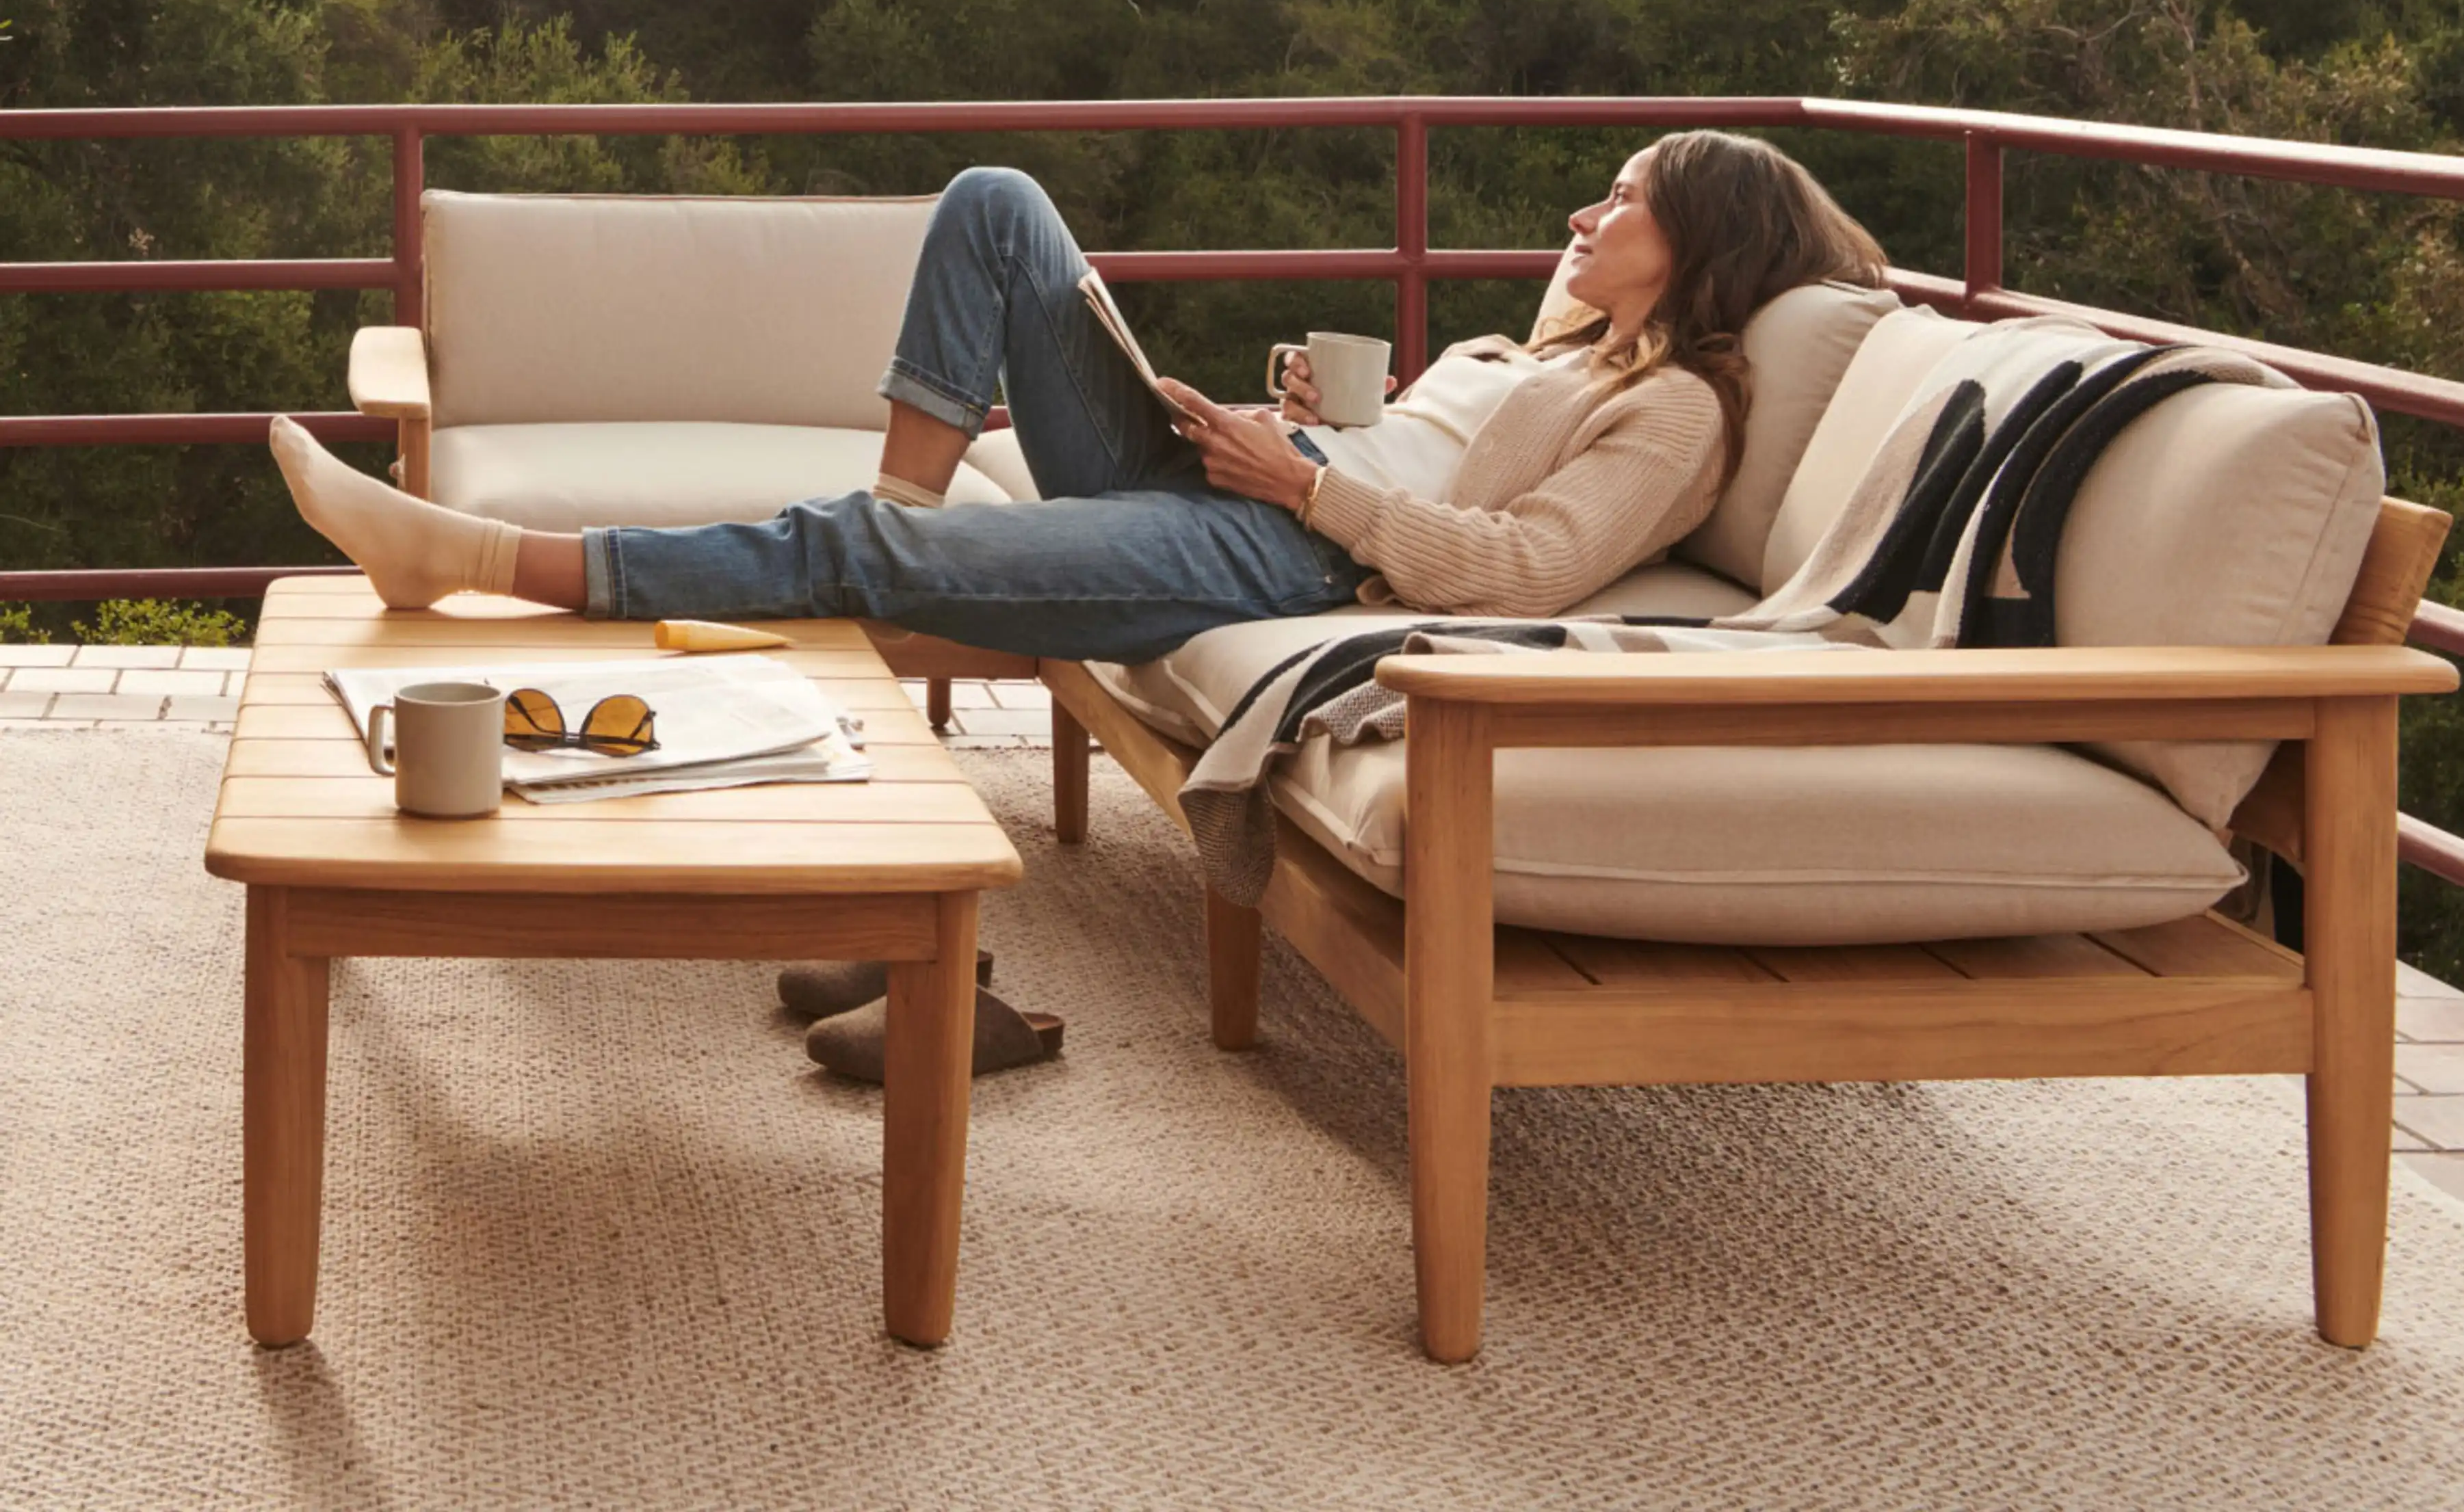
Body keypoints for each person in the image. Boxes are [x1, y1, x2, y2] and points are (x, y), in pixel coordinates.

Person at [268, 130, 1885, 1076]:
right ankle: (891, 542)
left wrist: (1308, 487)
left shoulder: (1677, 414)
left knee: (857, 546)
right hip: (1259, 483)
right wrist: (1277, 432)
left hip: (1294, 552)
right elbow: (1446, 444)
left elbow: (1527, 566)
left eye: (1623, 207)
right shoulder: (1554, 350)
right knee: (998, 206)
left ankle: (476, 558)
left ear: (1702, 248)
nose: (1584, 220)